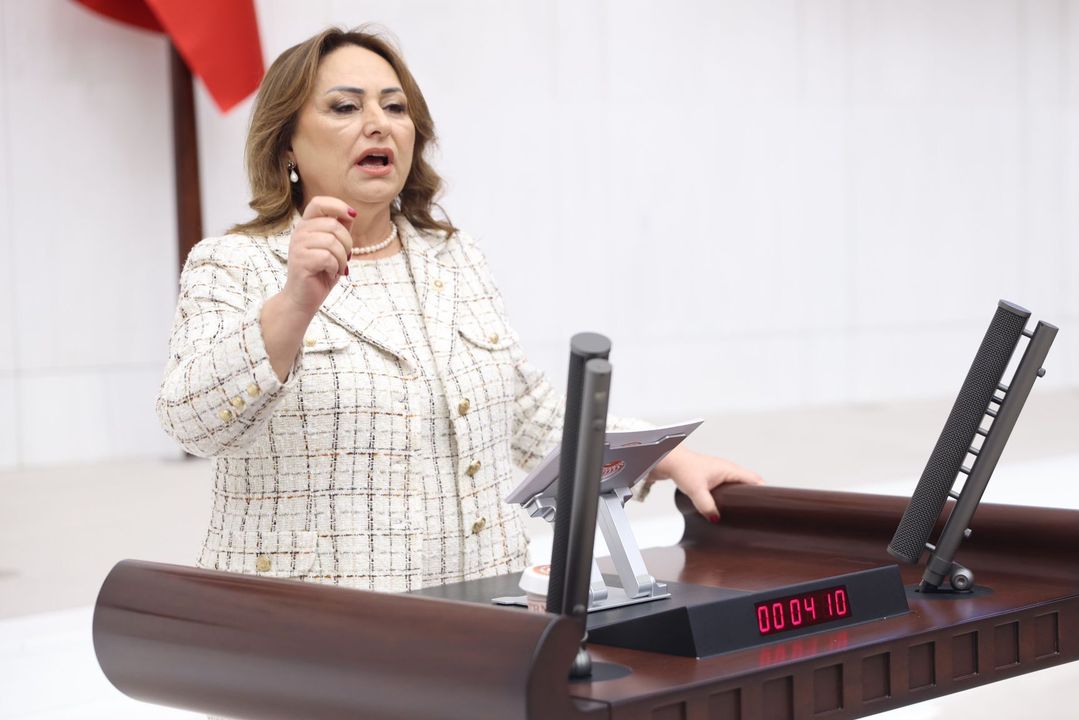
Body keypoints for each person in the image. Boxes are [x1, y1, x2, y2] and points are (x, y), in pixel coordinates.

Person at [156, 27, 763, 593]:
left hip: (480, 609)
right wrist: (294, 303)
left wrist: (665, 457)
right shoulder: (234, 263)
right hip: (320, 624)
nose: (378, 124)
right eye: (345, 107)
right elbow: (191, 423)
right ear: (287, 141)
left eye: (395, 107)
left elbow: (527, 413)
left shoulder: (453, 257)